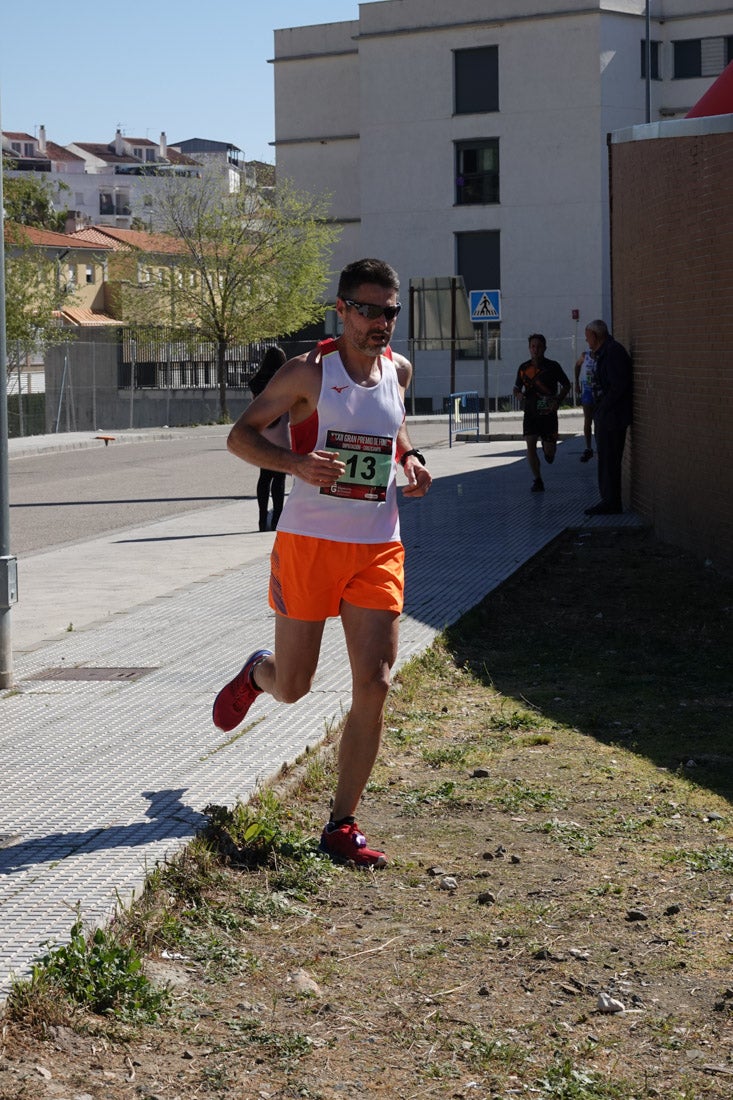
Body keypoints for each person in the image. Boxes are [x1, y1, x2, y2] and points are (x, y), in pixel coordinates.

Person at [212, 258, 432, 868]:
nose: (380, 323)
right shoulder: (307, 372)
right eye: (367, 310)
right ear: (342, 310)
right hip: (309, 543)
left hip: (378, 545)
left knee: (376, 684)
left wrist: (410, 463)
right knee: (295, 685)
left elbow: (394, 432)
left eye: (390, 311)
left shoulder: (399, 371)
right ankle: (258, 672)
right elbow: (240, 436)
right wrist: (295, 464)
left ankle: (341, 824)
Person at [583, 320, 632, 515]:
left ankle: (610, 502)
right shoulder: (605, 352)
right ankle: (608, 500)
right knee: (605, 459)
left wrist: (602, 408)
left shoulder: (612, 353)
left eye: (588, 337)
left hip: (612, 418)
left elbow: (617, 386)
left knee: (609, 460)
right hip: (607, 416)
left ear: (596, 336)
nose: (587, 341)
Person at [513, 334, 571, 492]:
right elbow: (516, 388)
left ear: (544, 348)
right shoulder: (524, 368)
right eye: (533, 346)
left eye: (538, 346)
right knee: (530, 445)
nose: (535, 349)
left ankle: (548, 451)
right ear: (529, 348)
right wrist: (519, 395)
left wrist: (558, 401)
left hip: (548, 413)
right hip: (530, 413)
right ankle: (538, 480)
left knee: (550, 453)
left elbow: (566, 385)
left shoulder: (553, 366)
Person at [249, 345, 289, 531]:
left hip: (263, 431)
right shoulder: (285, 379)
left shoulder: (257, 382)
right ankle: (277, 519)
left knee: (264, 476)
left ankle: (261, 518)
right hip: (281, 431)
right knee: (279, 478)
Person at [574, 346, 596, 462]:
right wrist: (576, 382)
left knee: (598, 420)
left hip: (599, 392)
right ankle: (588, 447)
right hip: (587, 391)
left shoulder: (601, 356)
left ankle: (599, 447)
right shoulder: (585, 355)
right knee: (588, 420)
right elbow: (577, 365)